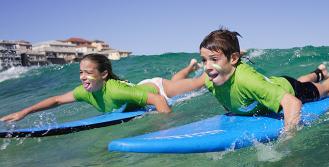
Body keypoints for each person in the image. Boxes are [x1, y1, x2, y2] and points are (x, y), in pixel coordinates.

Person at [199, 28, 329, 137]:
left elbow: (293, 104)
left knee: (327, 88)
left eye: (214, 59)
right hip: (276, 84)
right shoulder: (211, 81)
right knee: (300, 82)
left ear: (233, 59)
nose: (207, 67)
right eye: (204, 60)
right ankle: (320, 73)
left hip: (292, 90)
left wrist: (288, 138)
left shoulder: (247, 81)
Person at [1, 53, 205, 122]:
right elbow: (55, 100)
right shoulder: (85, 91)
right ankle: (190, 66)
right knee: (180, 79)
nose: (83, 77)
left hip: (157, 89)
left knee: (198, 84)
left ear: (103, 75)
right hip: (139, 89)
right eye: (81, 72)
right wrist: (23, 112)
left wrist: (164, 128)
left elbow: (159, 101)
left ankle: (221, 64)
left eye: (88, 72)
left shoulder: (114, 89)